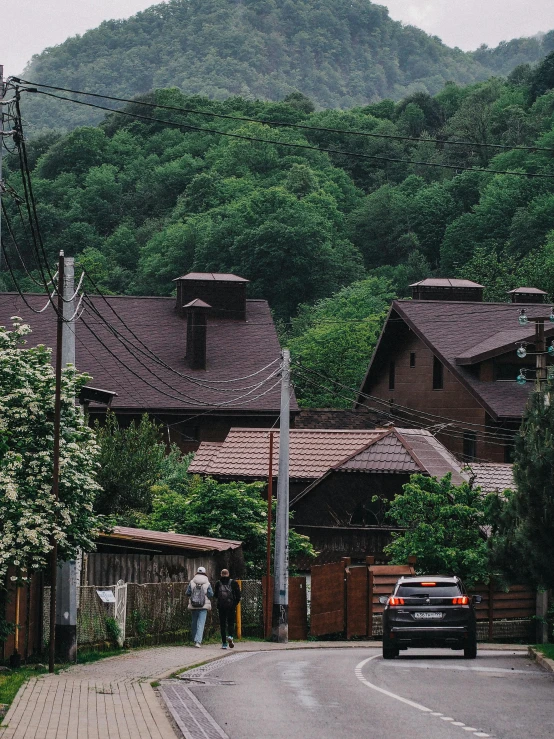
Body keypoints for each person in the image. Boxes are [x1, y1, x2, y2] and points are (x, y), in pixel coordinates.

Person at [186, 566, 213, 647]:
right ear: (205, 573)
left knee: (194, 622)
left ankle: (194, 639)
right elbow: (211, 594)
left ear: (196, 572)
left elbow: (187, 593)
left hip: (194, 605)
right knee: (201, 623)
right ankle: (198, 642)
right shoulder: (207, 583)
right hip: (203, 606)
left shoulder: (192, 582)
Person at [214, 569, 241, 649]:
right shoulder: (233, 583)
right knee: (231, 622)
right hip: (231, 606)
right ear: (228, 574)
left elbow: (216, 595)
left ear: (221, 574)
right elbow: (238, 595)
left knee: (222, 624)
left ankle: (224, 643)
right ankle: (230, 636)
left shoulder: (218, 583)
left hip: (221, 606)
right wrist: (234, 604)